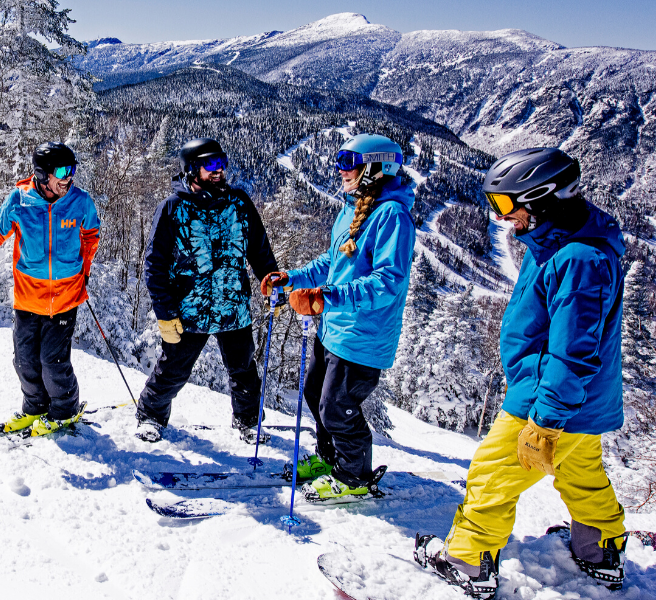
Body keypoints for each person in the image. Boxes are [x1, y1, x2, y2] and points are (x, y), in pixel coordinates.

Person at [414, 148, 627, 598]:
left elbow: (573, 352)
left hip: (547, 398)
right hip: (581, 402)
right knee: (582, 472)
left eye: (507, 204)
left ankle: (469, 561)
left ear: (544, 198)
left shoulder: (579, 259)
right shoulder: (554, 240)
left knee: (492, 474)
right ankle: (599, 549)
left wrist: (546, 419)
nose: (501, 216)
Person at [261, 133, 415, 500]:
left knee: (337, 407)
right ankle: (329, 459)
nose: (341, 171)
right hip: (334, 328)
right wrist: (293, 278)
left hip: (363, 335)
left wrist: (326, 297)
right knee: (316, 395)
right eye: (340, 163)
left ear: (377, 167)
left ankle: (354, 476)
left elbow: (387, 283)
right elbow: (334, 263)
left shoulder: (392, 216)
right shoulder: (353, 207)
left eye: (349, 164)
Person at [135, 138, 279, 444]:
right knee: (173, 369)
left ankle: (249, 421)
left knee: (244, 370)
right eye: (210, 164)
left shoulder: (239, 203)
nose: (219, 170)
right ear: (191, 169)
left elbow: (260, 251)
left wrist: (272, 283)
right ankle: (150, 416)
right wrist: (164, 311)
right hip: (190, 309)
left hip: (233, 305)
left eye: (222, 162)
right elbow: (155, 265)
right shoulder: (173, 208)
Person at [0, 142, 101, 437]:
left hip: (64, 297)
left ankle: (65, 410)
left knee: (52, 361)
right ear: (43, 174)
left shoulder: (80, 201)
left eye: (72, 170)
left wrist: (83, 271)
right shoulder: (20, 200)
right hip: (27, 297)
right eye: (63, 171)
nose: (69, 177)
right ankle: (35, 407)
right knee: (24, 361)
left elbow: (91, 235)